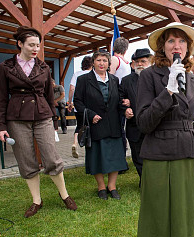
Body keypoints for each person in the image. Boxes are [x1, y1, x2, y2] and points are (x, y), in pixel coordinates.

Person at [136, 22, 194, 237]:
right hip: (158, 153)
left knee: (183, 214)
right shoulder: (149, 75)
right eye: (171, 40)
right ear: (162, 46)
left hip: (186, 152)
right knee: (157, 214)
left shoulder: (192, 78)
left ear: (188, 47)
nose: (177, 45)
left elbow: (188, 120)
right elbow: (144, 122)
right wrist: (168, 92)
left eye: (182, 41)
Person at [0, 26, 77, 218]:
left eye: (38, 46)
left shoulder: (44, 67)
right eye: (31, 45)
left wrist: (54, 121)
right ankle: (36, 201)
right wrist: (1, 126)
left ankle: (64, 195)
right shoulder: (6, 67)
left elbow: (50, 96)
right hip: (16, 118)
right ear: (20, 44)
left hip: (42, 116)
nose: (35, 49)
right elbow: (0, 97)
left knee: (52, 157)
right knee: (26, 160)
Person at [74, 50, 127, 200]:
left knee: (115, 157)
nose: (102, 63)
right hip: (96, 124)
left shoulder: (115, 80)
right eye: (99, 60)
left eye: (105, 60)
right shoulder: (84, 80)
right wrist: (90, 115)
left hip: (113, 124)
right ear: (93, 62)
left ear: (109, 63)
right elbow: (78, 101)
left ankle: (112, 186)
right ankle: (101, 186)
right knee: (97, 156)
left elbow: (118, 100)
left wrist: (126, 105)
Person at [119, 48, 152, 187]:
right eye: (137, 61)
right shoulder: (126, 81)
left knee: (152, 156)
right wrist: (125, 109)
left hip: (153, 126)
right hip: (134, 126)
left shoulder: (157, 78)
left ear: (150, 62)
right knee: (137, 156)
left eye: (143, 61)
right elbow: (119, 99)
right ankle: (143, 181)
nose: (140, 64)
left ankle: (152, 181)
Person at [109, 37, 131, 165]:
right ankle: (121, 157)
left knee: (117, 129)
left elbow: (111, 78)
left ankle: (119, 159)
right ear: (126, 49)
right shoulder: (126, 63)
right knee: (121, 129)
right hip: (123, 99)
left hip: (115, 99)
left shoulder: (114, 59)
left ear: (113, 47)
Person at [68, 56, 92, 158]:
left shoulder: (77, 74)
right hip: (90, 106)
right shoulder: (92, 75)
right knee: (90, 126)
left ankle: (75, 143)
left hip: (79, 106)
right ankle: (89, 146)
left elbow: (72, 88)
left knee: (79, 126)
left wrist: (70, 102)